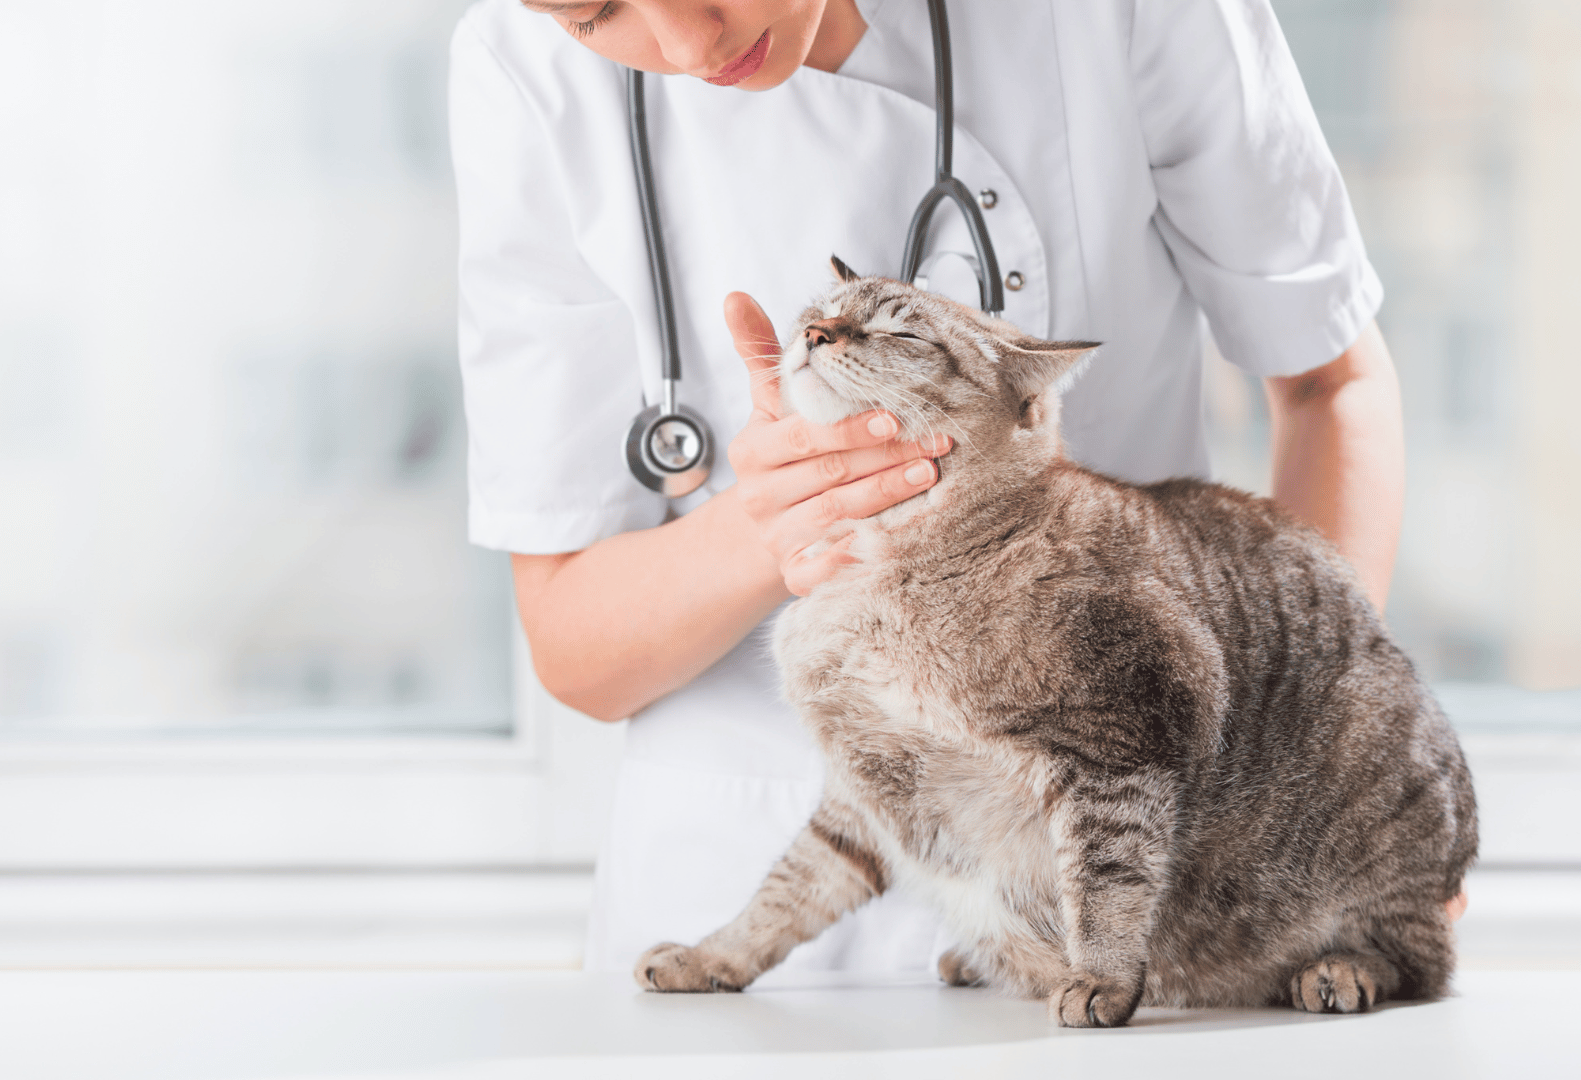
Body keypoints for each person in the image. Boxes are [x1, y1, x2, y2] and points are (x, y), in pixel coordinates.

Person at [450, 0, 1437, 981]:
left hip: (1150, 892)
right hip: (748, 931)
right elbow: (574, 645)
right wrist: (773, 524)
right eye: (595, 15)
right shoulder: (518, 70)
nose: (686, 44)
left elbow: (1327, 383)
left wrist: (1338, 801)